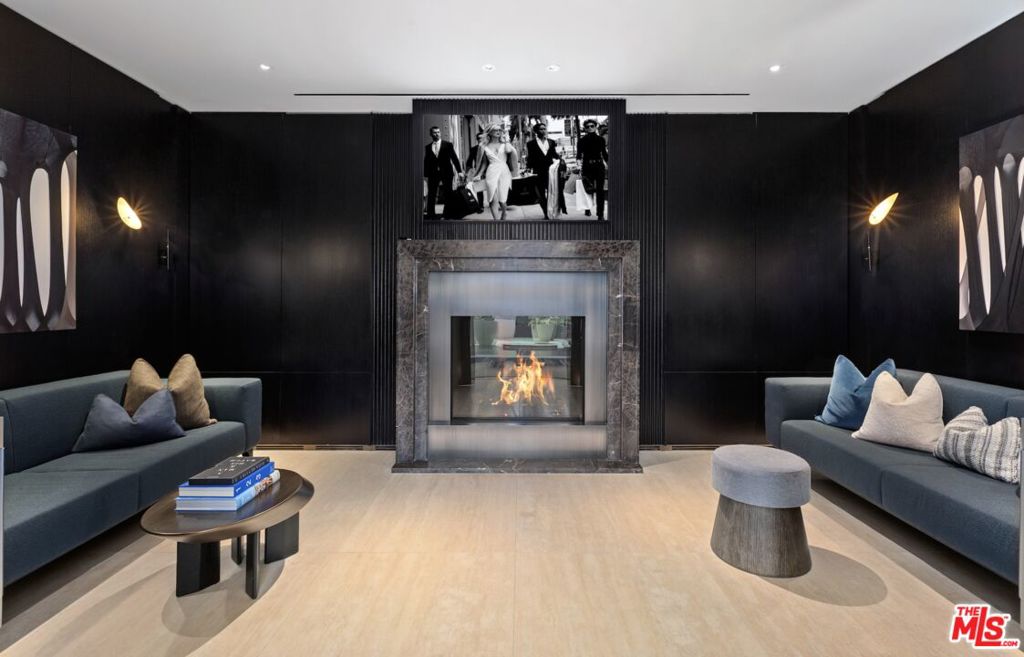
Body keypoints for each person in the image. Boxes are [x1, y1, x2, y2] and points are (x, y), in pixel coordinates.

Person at [470, 124, 518, 221]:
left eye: (500, 130)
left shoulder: (505, 144)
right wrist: (479, 175)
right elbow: (484, 163)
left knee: (502, 198)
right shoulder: (483, 146)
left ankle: (504, 211)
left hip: (504, 171)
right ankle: (496, 221)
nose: (498, 132)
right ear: (490, 132)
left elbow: (508, 150)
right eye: (495, 130)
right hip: (491, 171)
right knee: (492, 197)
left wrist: (506, 140)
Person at [526, 122, 564, 220]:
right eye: (541, 129)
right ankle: (546, 212)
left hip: (550, 171)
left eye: (544, 129)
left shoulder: (551, 142)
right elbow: (530, 158)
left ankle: (553, 210)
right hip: (538, 171)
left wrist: (560, 160)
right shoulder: (531, 144)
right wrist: (528, 168)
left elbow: (554, 154)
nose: (543, 131)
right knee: (540, 194)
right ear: (536, 131)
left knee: (553, 192)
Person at [423, 125, 462, 220]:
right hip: (433, 173)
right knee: (432, 193)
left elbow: (454, 158)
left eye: (438, 132)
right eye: (434, 132)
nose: (437, 134)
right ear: (431, 134)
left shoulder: (447, 145)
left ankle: (448, 214)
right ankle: (431, 214)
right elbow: (426, 160)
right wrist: (425, 174)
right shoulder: (428, 147)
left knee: (448, 193)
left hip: (447, 172)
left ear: (440, 133)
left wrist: (459, 171)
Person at [576, 118, 608, 220]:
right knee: (588, 189)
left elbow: (604, 154)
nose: (590, 128)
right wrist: (578, 166)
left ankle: (600, 214)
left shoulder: (601, 140)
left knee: (600, 190)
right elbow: (578, 155)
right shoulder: (581, 141)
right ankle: (587, 208)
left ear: (595, 127)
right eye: (587, 127)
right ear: (585, 128)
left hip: (599, 166)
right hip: (587, 167)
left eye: (592, 126)